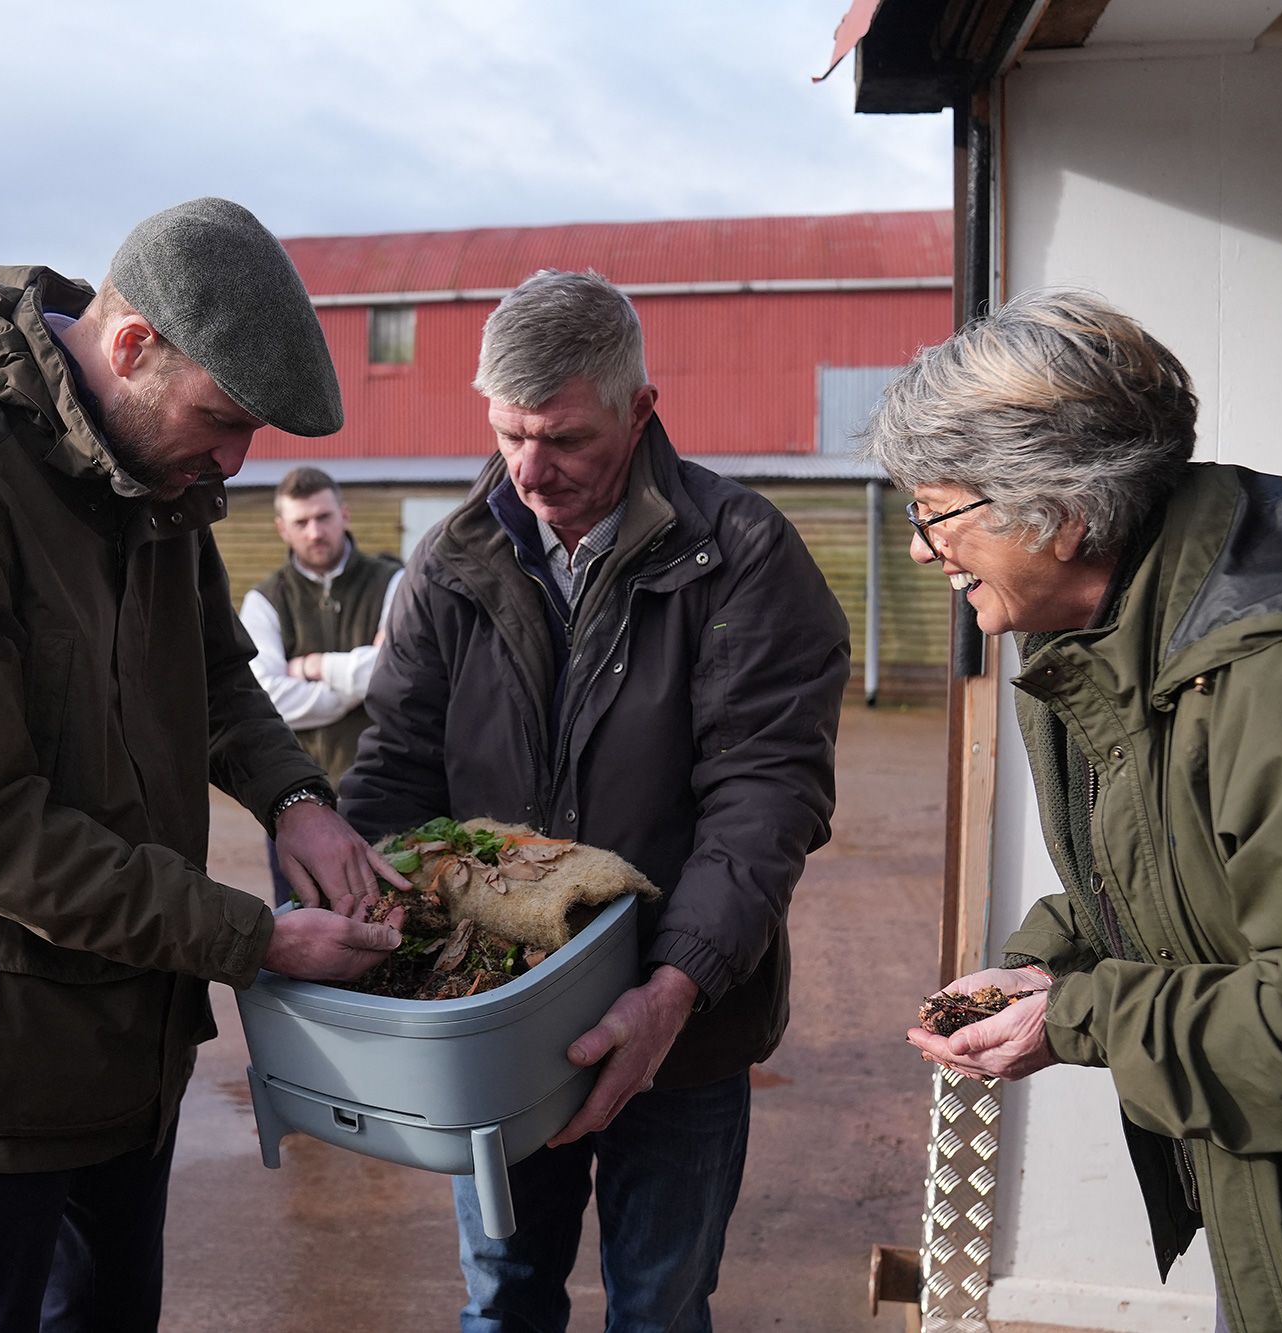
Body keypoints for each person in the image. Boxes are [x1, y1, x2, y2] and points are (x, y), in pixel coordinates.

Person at [0, 197, 409, 1333]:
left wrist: (300, 800)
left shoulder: (156, 484)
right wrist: (253, 938)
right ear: (130, 348)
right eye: (221, 419)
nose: (234, 460)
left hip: (131, 1048)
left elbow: (220, 680)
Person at [875, 289, 1282, 1333]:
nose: (920, 547)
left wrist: (1076, 1016)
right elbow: (1191, 872)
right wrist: (1049, 961)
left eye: (934, 510)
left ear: (1053, 509)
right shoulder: (1125, 635)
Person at [341, 269, 850, 1332]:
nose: (529, 471)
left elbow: (762, 797)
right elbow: (392, 769)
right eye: (509, 433)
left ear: (639, 408)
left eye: (564, 439)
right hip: (495, 1026)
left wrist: (673, 988)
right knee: (503, 1297)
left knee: (658, 1307)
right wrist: (358, 912)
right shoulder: (451, 562)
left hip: (684, 1022)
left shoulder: (741, 555)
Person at [240, 467, 404, 904]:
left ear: (344, 514)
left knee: (395, 922)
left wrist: (312, 666)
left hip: (388, 791)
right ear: (282, 528)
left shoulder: (394, 582)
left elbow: (398, 674)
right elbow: (268, 699)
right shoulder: (265, 602)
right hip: (299, 801)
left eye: (324, 517)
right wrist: (360, 679)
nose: (315, 532)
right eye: (301, 522)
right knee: (307, 919)